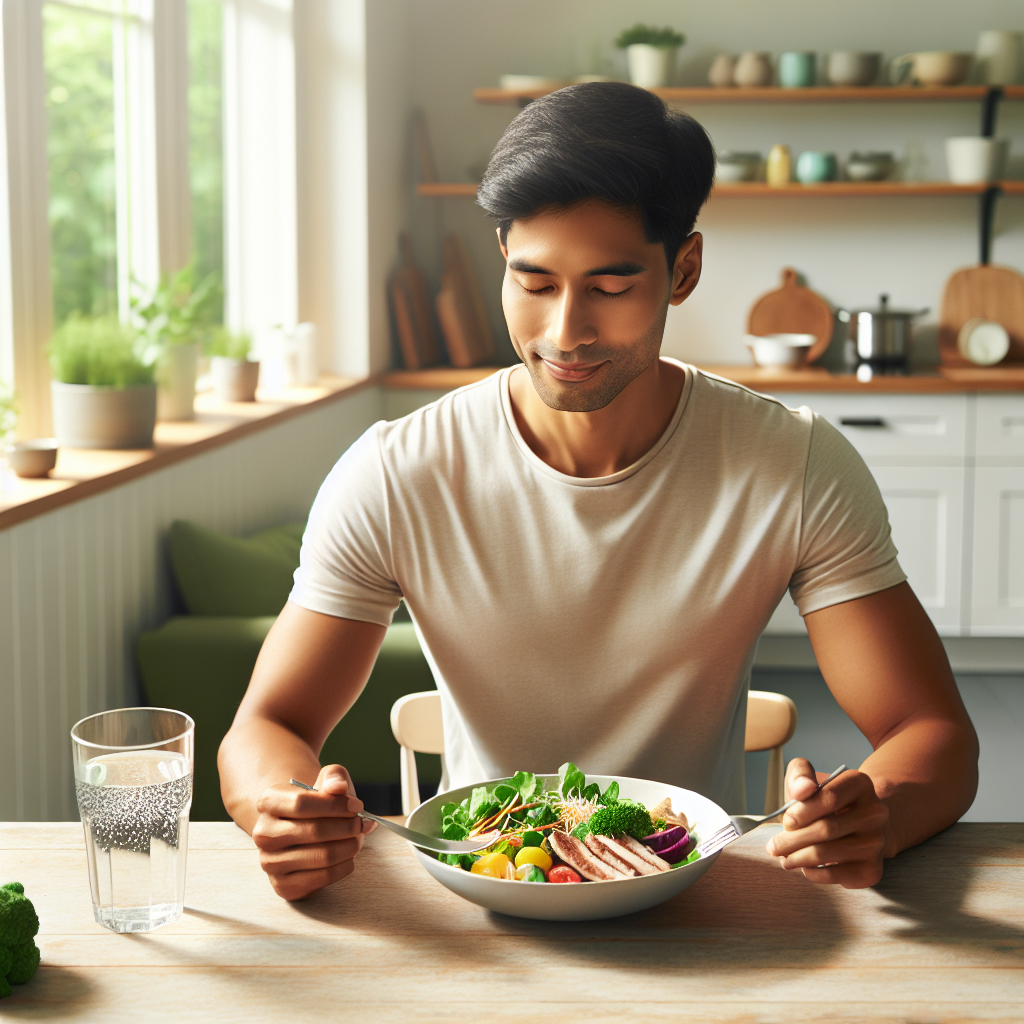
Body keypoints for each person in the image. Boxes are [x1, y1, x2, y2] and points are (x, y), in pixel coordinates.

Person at [218, 82, 978, 901]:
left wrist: (881, 816)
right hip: (485, 894)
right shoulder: (397, 471)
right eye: (534, 282)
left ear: (683, 269)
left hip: (698, 902)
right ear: (501, 258)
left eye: (610, 287)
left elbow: (928, 731)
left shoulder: (792, 462)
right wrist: (281, 809)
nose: (565, 332)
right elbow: (269, 726)